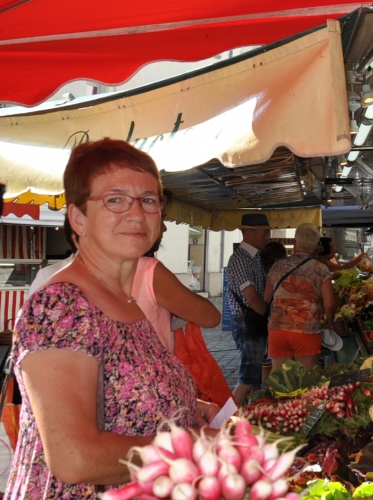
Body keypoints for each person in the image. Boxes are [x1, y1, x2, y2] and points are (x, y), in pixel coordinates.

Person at [8, 138, 210, 497]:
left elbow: (119, 394)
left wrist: (183, 406)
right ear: (78, 218)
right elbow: (74, 458)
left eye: (148, 200)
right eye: (115, 199)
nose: (136, 214)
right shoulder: (62, 307)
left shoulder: (123, 298)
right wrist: (193, 445)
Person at [132, 188, 221, 353]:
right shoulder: (148, 270)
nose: (164, 229)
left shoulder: (79, 269)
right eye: (162, 219)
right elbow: (211, 317)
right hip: (149, 371)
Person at [263, 223, 335, 371]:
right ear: (316, 246)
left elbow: (266, 297)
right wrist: (329, 322)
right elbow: (329, 304)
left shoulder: (277, 266)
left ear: (295, 242)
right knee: (306, 383)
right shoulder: (321, 269)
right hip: (306, 331)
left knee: (281, 383)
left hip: (278, 330)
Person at [225, 213, 271, 406]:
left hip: (252, 321)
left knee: (254, 379)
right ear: (250, 232)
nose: (268, 237)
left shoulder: (255, 257)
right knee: (248, 378)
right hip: (247, 322)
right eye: (265, 233)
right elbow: (252, 298)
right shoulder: (241, 259)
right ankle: (225, 421)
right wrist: (271, 316)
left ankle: (251, 415)